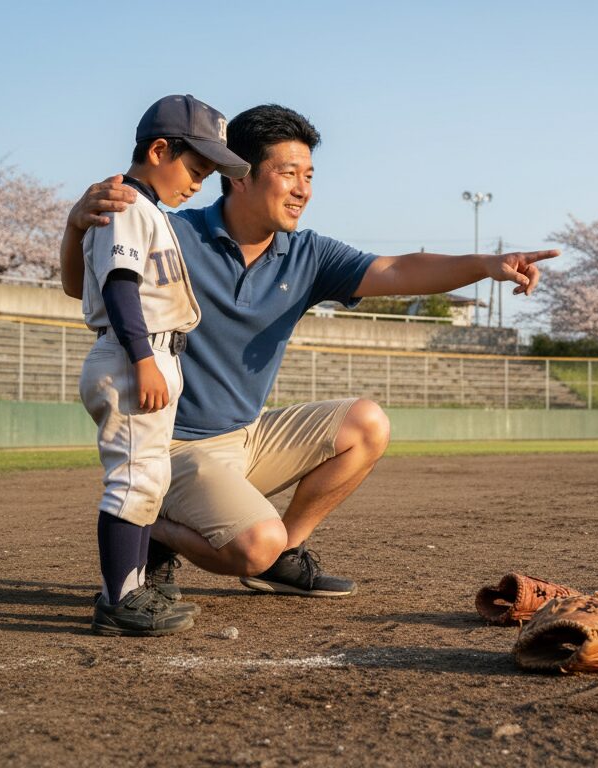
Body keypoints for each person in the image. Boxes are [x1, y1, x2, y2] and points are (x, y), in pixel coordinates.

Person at [61, 103, 557, 609]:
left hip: (247, 435)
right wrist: (76, 226)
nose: (303, 189)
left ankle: (284, 556)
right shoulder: (173, 232)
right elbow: (84, 288)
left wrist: (486, 264)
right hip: (174, 447)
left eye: (310, 175)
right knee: (254, 545)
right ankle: (153, 529)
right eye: (288, 173)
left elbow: (397, 269)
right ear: (240, 176)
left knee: (367, 424)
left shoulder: (307, 254)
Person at [79, 95, 250, 636]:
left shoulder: (145, 209)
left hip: (148, 350)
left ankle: (133, 588)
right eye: (195, 168)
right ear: (159, 150)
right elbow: (120, 286)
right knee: (133, 479)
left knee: (148, 478)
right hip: (135, 352)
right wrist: (143, 358)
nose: (199, 184)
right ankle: (119, 599)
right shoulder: (128, 204)